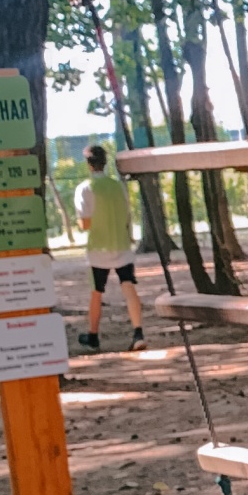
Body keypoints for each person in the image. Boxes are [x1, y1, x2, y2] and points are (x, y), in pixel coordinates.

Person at [72, 142, 144, 350]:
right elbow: (127, 215)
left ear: (88, 164)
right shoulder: (118, 187)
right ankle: (138, 332)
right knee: (128, 287)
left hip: (98, 250)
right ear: (105, 162)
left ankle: (93, 334)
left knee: (96, 292)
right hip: (122, 245)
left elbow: (85, 223)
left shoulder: (84, 189)